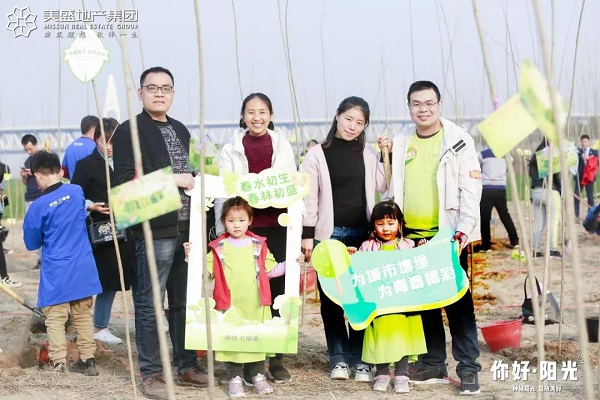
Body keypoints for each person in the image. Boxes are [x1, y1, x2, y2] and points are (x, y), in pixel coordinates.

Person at [113, 66, 210, 400]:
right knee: (150, 303)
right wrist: (174, 179)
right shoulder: (128, 131)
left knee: (182, 302)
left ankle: (186, 365)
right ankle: (152, 372)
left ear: (173, 93)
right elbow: (124, 184)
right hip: (153, 229)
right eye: (152, 87)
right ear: (140, 93)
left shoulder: (181, 129)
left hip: (186, 229)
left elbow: (193, 174)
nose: (159, 93)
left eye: (165, 88)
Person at [385, 81, 482, 395]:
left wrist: (462, 231)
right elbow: (392, 186)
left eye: (429, 103)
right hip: (412, 237)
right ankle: (433, 364)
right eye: (416, 104)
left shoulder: (458, 139)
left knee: (458, 305)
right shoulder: (402, 140)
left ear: (439, 105)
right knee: (424, 303)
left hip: (447, 236)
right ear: (409, 107)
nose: (423, 109)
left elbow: (471, 189)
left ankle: (468, 370)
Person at [301, 96, 389, 382]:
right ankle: (338, 358)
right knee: (331, 301)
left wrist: (385, 153)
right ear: (337, 115)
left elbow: (383, 184)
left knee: (361, 299)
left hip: (362, 236)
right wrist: (307, 236)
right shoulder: (317, 155)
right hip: (330, 235)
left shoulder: (368, 153)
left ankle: (361, 359)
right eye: (348, 119)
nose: (352, 126)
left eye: (359, 123)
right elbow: (309, 199)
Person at [215, 92, 295, 383]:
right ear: (243, 116)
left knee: (278, 291)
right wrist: (221, 232)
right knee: (244, 291)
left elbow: (291, 185)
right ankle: (245, 356)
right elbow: (223, 192)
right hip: (245, 229)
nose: (256, 117)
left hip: (278, 227)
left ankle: (276, 357)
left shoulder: (282, 145)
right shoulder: (230, 149)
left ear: (271, 116)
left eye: (262, 112)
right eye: (251, 112)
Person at [185, 196, 294, 398]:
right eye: (231, 220)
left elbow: (271, 270)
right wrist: (190, 257)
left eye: (241, 220)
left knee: (256, 339)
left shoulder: (258, 244)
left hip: (256, 303)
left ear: (250, 221)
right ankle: (234, 378)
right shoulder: (218, 246)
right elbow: (205, 271)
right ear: (223, 222)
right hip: (229, 305)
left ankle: (257, 375)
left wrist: (293, 263)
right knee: (232, 341)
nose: (236, 225)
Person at [23, 151, 102, 375]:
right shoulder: (76, 192)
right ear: (60, 171)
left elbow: (31, 242)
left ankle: (58, 363)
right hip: (82, 266)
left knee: (55, 319)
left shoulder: (39, 205)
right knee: (82, 316)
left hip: (57, 270)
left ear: (37, 176)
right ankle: (88, 360)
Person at [347, 200, 427, 393]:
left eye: (391, 223)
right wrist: (351, 255)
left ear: (400, 224)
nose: (386, 228)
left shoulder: (409, 245)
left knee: (402, 337)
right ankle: (381, 374)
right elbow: (357, 271)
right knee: (380, 337)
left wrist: (423, 249)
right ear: (373, 225)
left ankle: (401, 376)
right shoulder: (367, 247)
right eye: (380, 223)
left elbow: (420, 266)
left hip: (402, 303)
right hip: (378, 304)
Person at [71, 117, 132, 345]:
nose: (108, 146)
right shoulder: (86, 164)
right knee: (108, 279)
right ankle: (99, 326)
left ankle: (150, 320)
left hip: (129, 225)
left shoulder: (128, 161)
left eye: (113, 141)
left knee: (135, 276)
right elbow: (75, 194)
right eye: (103, 140)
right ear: (95, 139)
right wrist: (91, 205)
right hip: (103, 230)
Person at [475, 147, 519, 252]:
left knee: (485, 218)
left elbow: (477, 168)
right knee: (505, 215)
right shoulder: (506, 155)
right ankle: (514, 241)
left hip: (486, 188)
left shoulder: (482, 154)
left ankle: (486, 245)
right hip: (500, 188)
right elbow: (508, 168)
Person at [529, 139, 562, 259]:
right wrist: (562, 189)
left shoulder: (535, 157)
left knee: (538, 224)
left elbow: (531, 175)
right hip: (551, 191)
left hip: (537, 192)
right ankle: (552, 250)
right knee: (552, 222)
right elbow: (557, 176)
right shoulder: (551, 155)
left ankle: (536, 251)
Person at [20, 134, 43, 271]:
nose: (29, 152)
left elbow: (46, 175)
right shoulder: (28, 161)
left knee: (42, 228)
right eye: (26, 150)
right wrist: (24, 176)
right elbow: (26, 183)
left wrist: (33, 172)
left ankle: (44, 259)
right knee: (32, 228)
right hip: (29, 196)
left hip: (40, 197)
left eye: (30, 148)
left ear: (35, 144)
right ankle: (39, 259)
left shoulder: (43, 158)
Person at [61, 115, 100, 179]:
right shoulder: (95, 147)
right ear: (92, 131)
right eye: (99, 131)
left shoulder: (69, 147)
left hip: (73, 184)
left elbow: (64, 172)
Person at [574, 134, 599, 220]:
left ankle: (590, 215)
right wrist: (581, 157)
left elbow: (597, 163)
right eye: (582, 142)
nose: (584, 143)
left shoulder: (594, 152)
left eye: (585, 141)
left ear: (588, 142)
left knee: (590, 197)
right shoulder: (578, 152)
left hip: (589, 177)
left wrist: (590, 159)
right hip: (580, 176)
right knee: (577, 195)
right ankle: (576, 215)